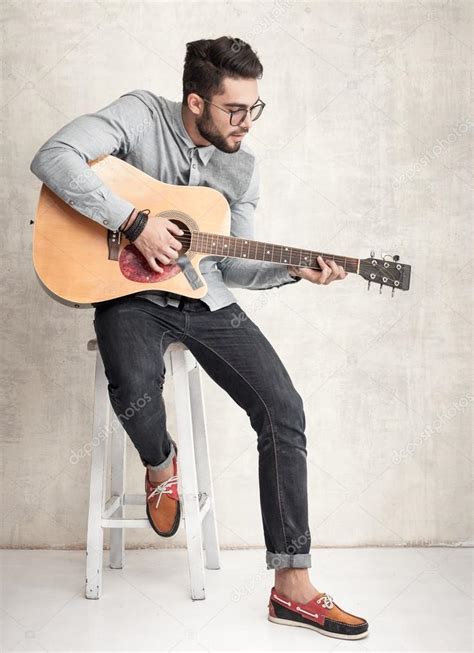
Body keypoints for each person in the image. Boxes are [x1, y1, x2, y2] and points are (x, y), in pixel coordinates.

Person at [30, 35, 368, 640]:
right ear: (195, 102)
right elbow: (54, 156)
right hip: (127, 296)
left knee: (283, 408)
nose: (247, 123)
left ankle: (292, 585)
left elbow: (233, 266)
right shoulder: (139, 116)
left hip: (204, 299)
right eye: (235, 110)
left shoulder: (242, 166)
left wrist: (291, 269)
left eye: (254, 108)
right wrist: (134, 223)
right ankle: (161, 463)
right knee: (134, 381)